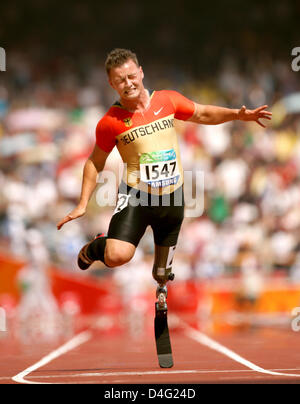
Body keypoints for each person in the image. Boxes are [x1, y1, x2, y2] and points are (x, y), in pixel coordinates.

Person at [56, 48, 272, 286]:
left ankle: (162, 300)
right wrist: (82, 203)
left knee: (161, 276)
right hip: (136, 197)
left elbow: (203, 113)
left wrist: (237, 115)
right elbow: (95, 162)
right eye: (120, 80)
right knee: (118, 256)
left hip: (171, 197)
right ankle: (95, 247)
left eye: (131, 76)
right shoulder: (110, 122)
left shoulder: (166, 100)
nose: (128, 84)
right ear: (111, 83)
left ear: (141, 73)